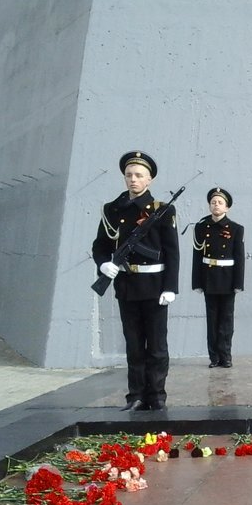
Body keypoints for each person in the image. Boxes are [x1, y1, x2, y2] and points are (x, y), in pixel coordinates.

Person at [92, 151, 179, 411]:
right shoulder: (112, 210)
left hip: (155, 288)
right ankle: (136, 396)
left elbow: (172, 252)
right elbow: (100, 246)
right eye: (129, 175)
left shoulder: (163, 210)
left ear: (149, 179)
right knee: (133, 345)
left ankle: (157, 396)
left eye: (139, 175)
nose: (133, 180)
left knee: (157, 346)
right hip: (127, 286)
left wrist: (170, 287)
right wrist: (103, 263)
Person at [192, 187, 245, 368]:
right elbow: (197, 256)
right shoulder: (201, 227)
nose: (216, 205)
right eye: (213, 202)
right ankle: (213, 358)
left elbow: (239, 258)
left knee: (226, 320)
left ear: (227, 208)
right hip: (209, 277)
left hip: (228, 279)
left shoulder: (236, 229)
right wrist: (197, 282)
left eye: (220, 202)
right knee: (212, 319)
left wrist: (238, 283)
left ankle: (226, 356)